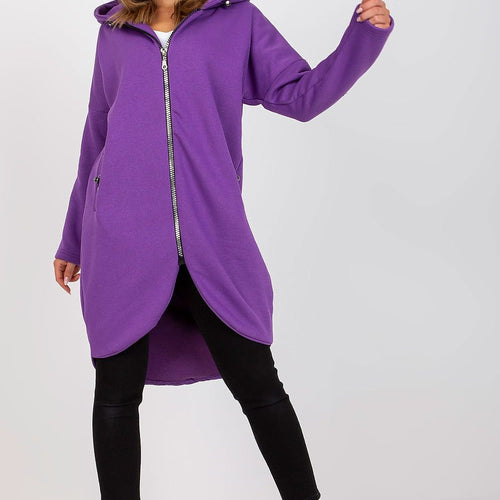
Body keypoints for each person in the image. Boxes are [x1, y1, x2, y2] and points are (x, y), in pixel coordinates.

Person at [53, 1, 394, 499]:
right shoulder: (117, 30)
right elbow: (97, 133)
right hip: (120, 240)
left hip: (213, 237)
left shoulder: (237, 20)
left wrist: (362, 38)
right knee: (115, 395)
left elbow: (300, 96)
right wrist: (73, 238)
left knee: (259, 385)